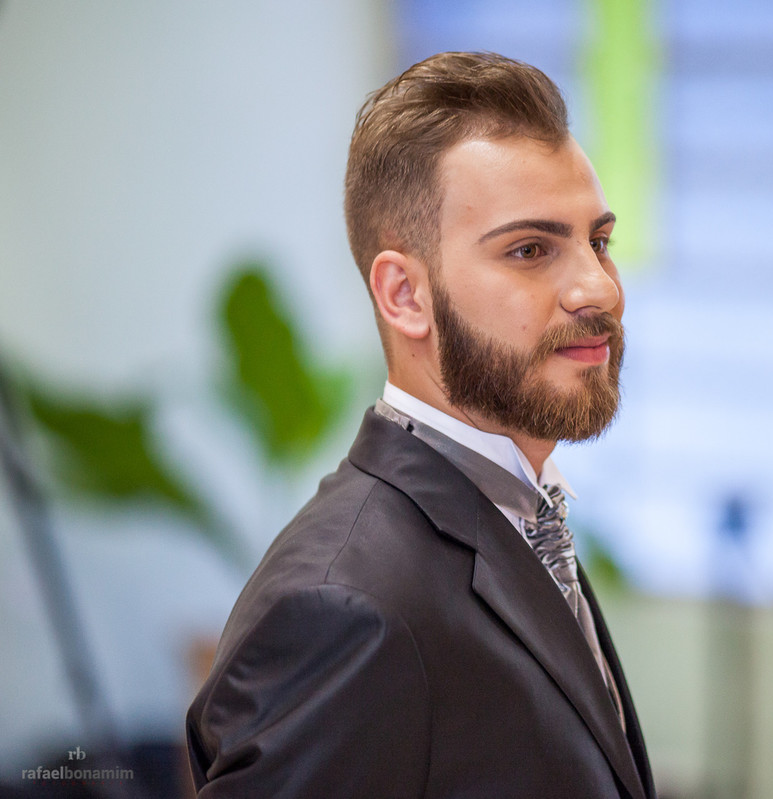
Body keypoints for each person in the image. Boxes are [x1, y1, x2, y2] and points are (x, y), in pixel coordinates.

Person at [185, 51, 656, 799]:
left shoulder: (527, 517)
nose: (598, 287)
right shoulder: (344, 609)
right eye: (531, 250)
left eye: (597, 240)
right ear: (405, 294)